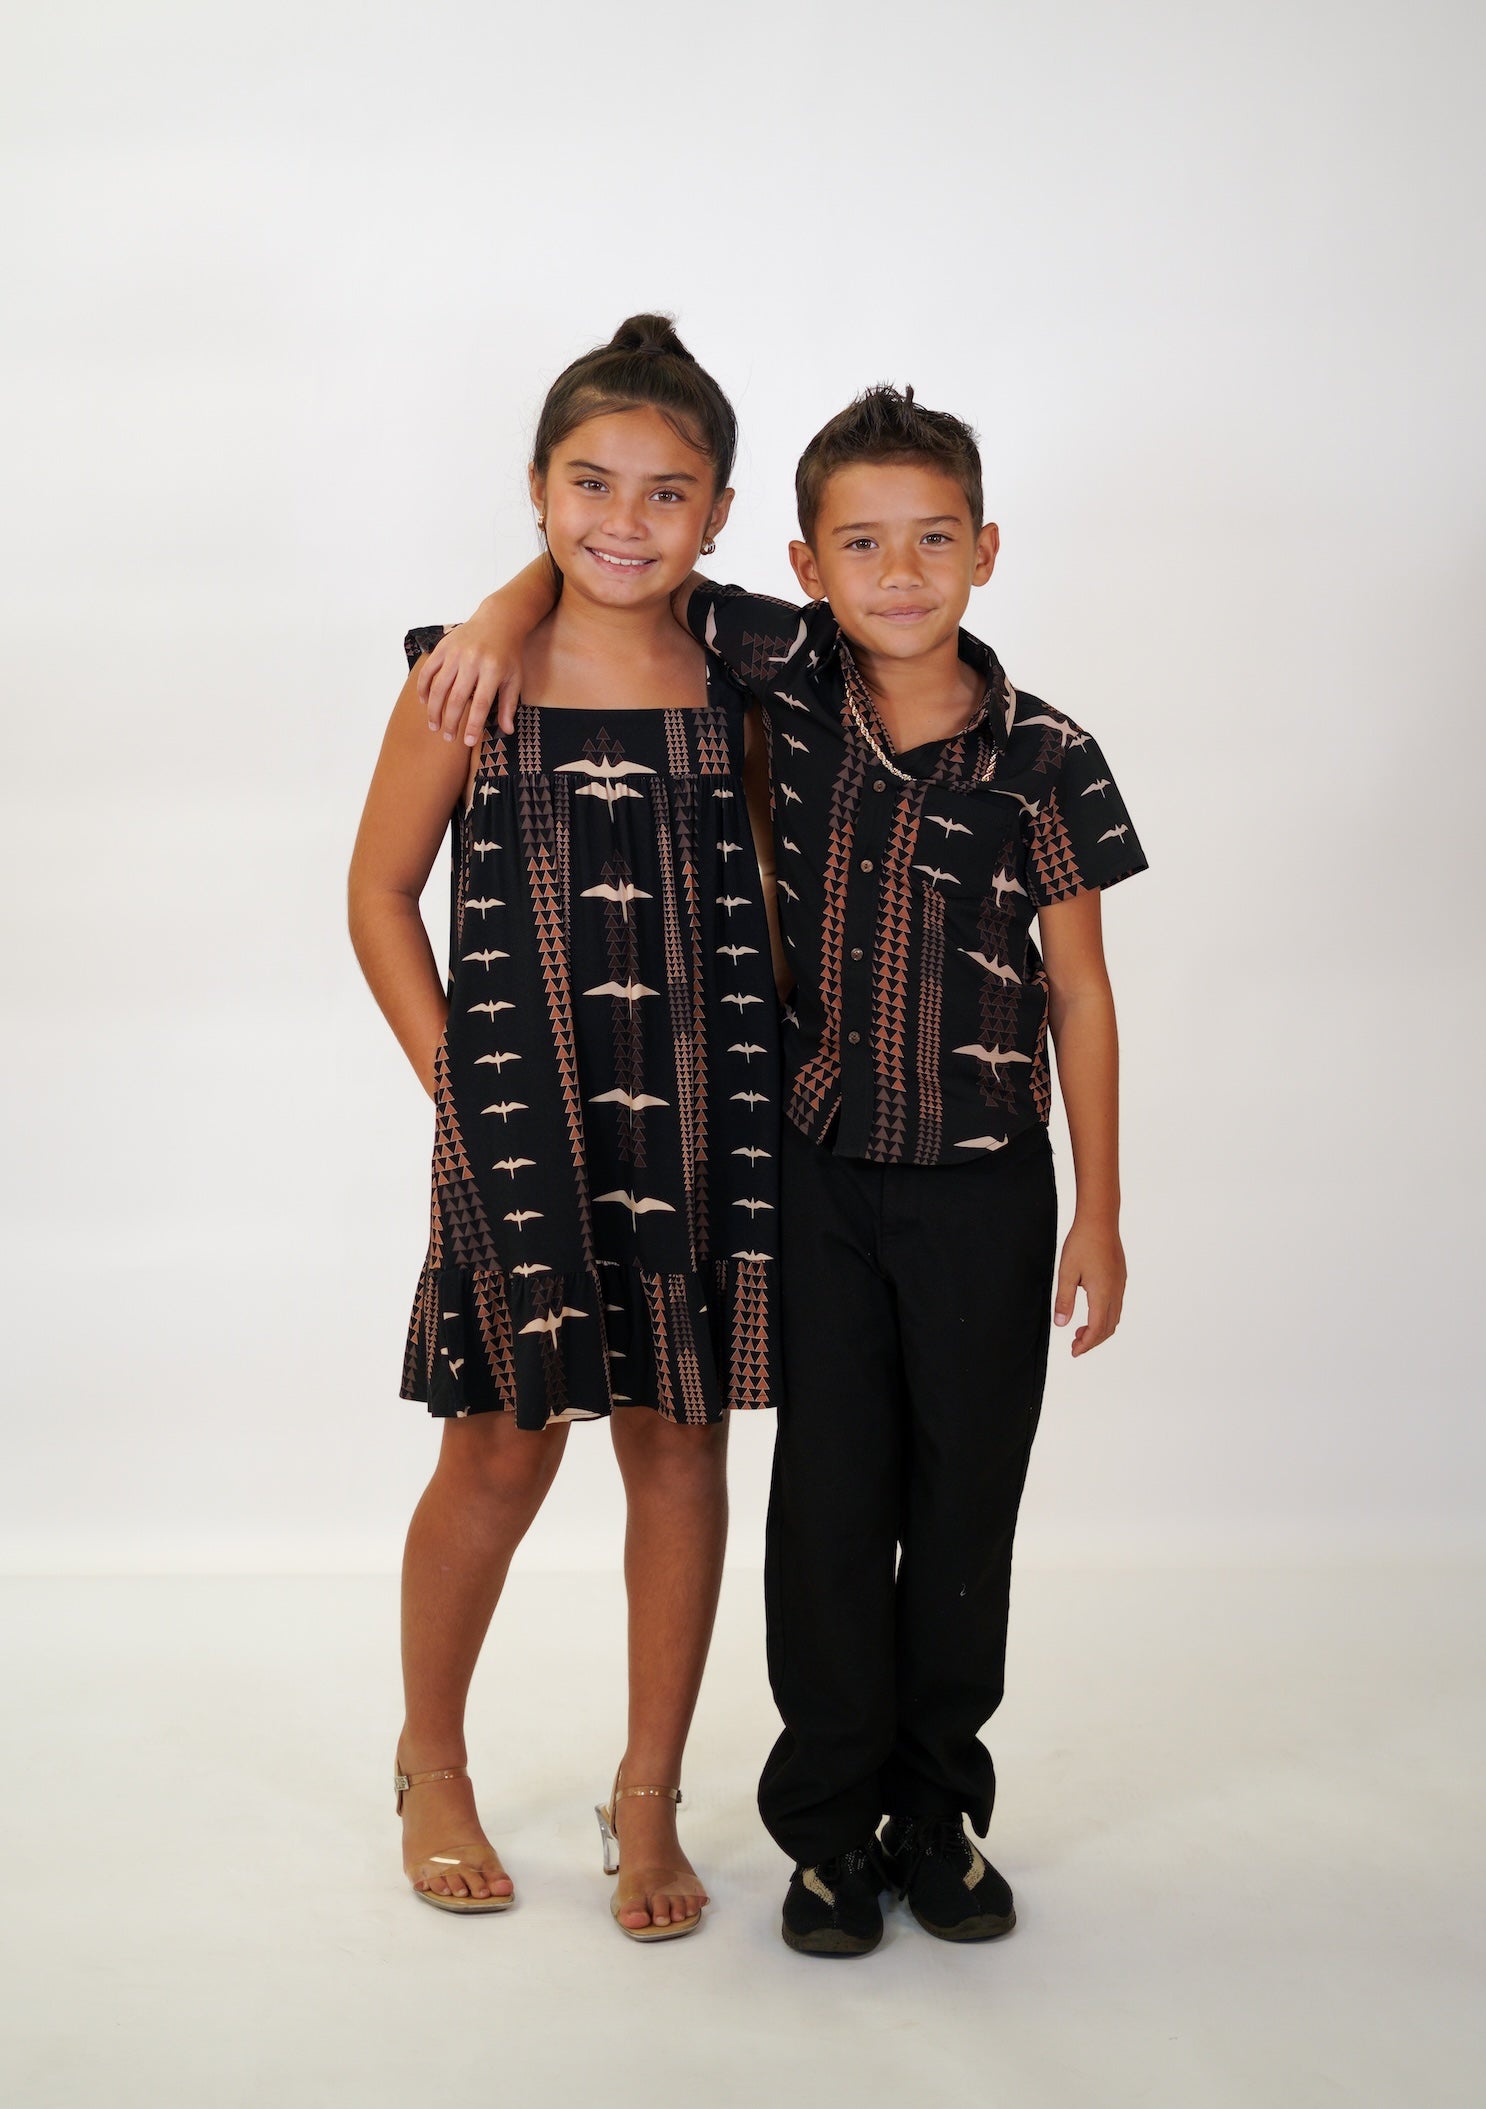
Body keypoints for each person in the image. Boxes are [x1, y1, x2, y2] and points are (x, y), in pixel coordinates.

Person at [415, 382, 1147, 1955]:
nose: (900, 573)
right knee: (823, 1510)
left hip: (972, 1177)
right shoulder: (788, 677)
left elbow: (1084, 989)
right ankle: (822, 1835)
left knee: (963, 1507)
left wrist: (1100, 1208)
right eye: (861, 544)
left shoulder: (1048, 753)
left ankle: (936, 1813)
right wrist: (495, 603)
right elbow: (624, 555)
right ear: (806, 566)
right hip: (809, 1164)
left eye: (935, 539)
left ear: (988, 550)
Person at [347, 315, 784, 1940]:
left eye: (669, 493)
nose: (625, 519)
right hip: (516, 1119)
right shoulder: (472, 679)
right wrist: (453, 1078)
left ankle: (647, 1794)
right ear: (535, 488)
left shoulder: (745, 679)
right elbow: (379, 890)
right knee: (498, 1446)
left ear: (720, 513)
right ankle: (431, 1759)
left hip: (705, 1119)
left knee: (680, 1444)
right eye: (591, 483)